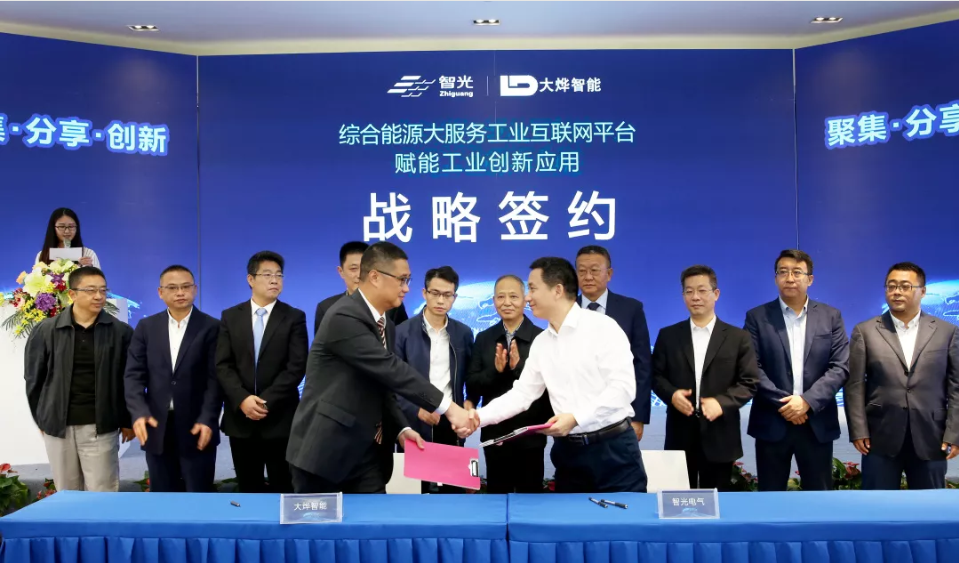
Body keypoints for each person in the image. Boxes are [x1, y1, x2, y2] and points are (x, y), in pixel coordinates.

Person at [287, 242, 474, 494]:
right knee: (322, 522)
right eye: (402, 280)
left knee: (374, 519)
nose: (406, 288)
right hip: (326, 453)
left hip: (368, 456)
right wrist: (449, 407)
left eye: (408, 280)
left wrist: (401, 429)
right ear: (375, 277)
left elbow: (383, 386)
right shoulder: (345, 316)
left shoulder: (386, 324)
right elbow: (391, 370)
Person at [462, 257, 647, 493]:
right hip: (568, 454)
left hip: (613, 451)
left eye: (532, 288)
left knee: (625, 516)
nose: (528, 297)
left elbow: (622, 389)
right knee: (568, 518)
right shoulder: (542, 342)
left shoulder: (603, 327)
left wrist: (576, 418)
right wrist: (477, 417)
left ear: (557, 290)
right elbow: (522, 395)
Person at [845, 262, 959, 489]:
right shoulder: (865, 331)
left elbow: (956, 386)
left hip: (931, 436)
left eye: (905, 286)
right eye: (891, 286)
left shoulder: (947, 332)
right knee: (878, 505)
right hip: (879, 437)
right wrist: (858, 430)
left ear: (922, 291)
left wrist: (954, 432)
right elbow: (854, 385)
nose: (896, 292)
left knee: (928, 505)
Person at [745, 249, 849, 491]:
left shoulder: (831, 316)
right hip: (772, 421)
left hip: (816, 422)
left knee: (819, 498)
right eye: (783, 272)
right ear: (775, 278)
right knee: (770, 497)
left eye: (797, 272)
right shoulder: (757, 317)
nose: (790, 278)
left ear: (810, 279)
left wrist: (807, 402)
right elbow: (750, 366)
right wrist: (787, 404)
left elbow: (840, 366)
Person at [24, 266, 134, 491]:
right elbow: (34, 379)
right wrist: (42, 418)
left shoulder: (120, 332)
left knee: (102, 492)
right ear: (72, 294)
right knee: (67, 493)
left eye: (103, 290)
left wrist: (128, 419)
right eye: (91, 290)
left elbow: (130, 380)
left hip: (101, 424)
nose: (99, 296)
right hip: (58, 426)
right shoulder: (46, 330)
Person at [651, 265, 758, 490]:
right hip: (680, 433)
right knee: (680, 500)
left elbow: (749, 382)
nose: (695, 297)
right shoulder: (668, 336)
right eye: (689, 291)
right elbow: (655, 376)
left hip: (720, 434)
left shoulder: (738, 337)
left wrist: (722, 403)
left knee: (717, 502)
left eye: (702, 290)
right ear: (683, 296)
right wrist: (672, 395)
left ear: (716, 294)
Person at [216, 251, 308, 493]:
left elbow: (296, 366)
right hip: (241, 419)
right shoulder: (230, 316)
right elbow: (223, 365)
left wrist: (265, 402)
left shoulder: (294, 317)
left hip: (280, 418)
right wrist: (243, 400)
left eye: (279, 275)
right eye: (267, 275)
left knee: (284, 487)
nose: (274, 280)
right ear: (251, 279)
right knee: (248, 488)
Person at [124, 265, 221, 492]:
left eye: (186, 287)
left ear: (195, 289)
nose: (180, 292)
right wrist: (139, 412)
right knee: (162, 496)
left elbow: (215, 380)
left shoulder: (212, 327)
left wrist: (208, 418)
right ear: (160, 292)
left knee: (199, 496)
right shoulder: (146, 327)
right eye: (172, 288)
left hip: (197, 427)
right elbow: (133, 375)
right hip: (157, 425)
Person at [466, 274, 550, 494]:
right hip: (495, 435)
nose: (507, 302)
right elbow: (473, 385)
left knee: (530, 498)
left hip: (530, 434)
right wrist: (495, 370)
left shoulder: (541, 338)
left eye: (513, 296)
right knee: (497, 495)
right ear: (494, 300)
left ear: (524, 300)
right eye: (501, 297)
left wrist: (518, 368)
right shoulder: (484, 338)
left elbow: (548, 388)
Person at [394, 266, 474, 493]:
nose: (440, 300)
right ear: (424, 293)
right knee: (414, 495)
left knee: (453, 494)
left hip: (450, 421)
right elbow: (393, 382)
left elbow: (470, 378)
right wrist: (415, 409)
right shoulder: (402, 332)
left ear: (455, 297)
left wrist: (467, 407)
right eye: (435, 293)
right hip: (414, 422)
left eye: (447, 295)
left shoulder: (463, 333)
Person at [574, 245, 651, 442]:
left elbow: (642, 365)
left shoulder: (631, 309)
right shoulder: (565, 309)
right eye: (582, 271)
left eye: (594, 270)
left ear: (609, 274)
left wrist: (638, 416)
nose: (588, 277)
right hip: (575, 416)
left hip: (620, 415)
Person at [314, 241, 408, 336]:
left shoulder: (392, 305)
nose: (360, 275)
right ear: (341, 271)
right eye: (353, 269)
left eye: (364, 268)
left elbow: (403, 339)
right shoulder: (327, 308)